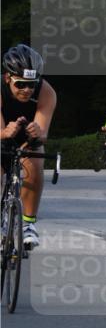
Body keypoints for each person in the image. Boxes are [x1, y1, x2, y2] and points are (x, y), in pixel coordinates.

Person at [1, 44, 57, 249]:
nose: (27, 90)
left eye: (32, 84)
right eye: (21, 84)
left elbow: (42, 135)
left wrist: (37, 133)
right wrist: (5, 133)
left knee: (34, 161)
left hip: (26, 134)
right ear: (8, 78)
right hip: (1, 130)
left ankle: (28, 224)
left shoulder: (46, 92)